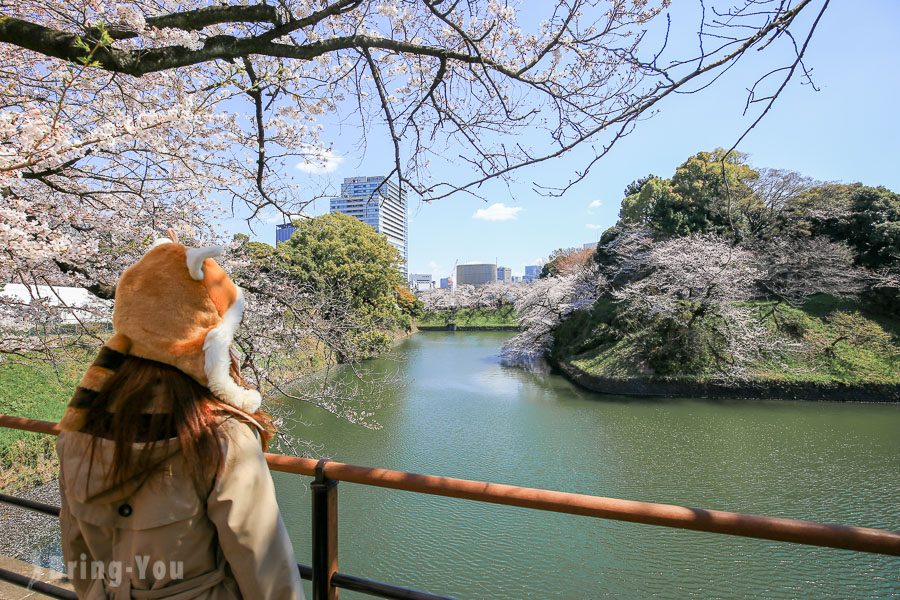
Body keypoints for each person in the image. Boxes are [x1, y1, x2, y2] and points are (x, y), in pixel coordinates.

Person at [56, 231, 305, 599]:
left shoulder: (79, 425)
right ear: (212, 336)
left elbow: (75, 547)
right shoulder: (221, 434)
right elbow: (264, 565)